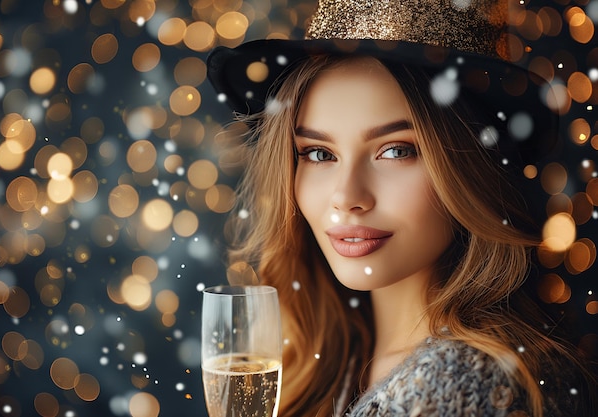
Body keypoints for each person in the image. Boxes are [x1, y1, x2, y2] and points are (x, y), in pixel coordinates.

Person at [207, 0, 596, 416]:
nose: (347, 196)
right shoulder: (339, 359)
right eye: (319, 154)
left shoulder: (463, 383)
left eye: (395, 150)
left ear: (468, 167)